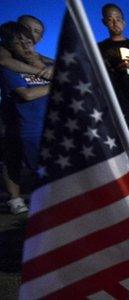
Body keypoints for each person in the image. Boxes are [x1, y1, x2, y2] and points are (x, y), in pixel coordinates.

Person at [0, 22, 50, 214]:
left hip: (46, 123)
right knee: (14, 158)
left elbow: (66, 74)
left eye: (30, 39)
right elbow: (26, 94)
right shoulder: (8, 63)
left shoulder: (44, 61)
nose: (26, 45)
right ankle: (15, 200)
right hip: (22, 124)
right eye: (19, 41)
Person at [0, 15, 53, 80]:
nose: (30, 32)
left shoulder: (38, 56)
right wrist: (42, 73)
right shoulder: (4, 48)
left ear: (40, 39)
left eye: (36, 31)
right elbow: (3, 60)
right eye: (25, 28)